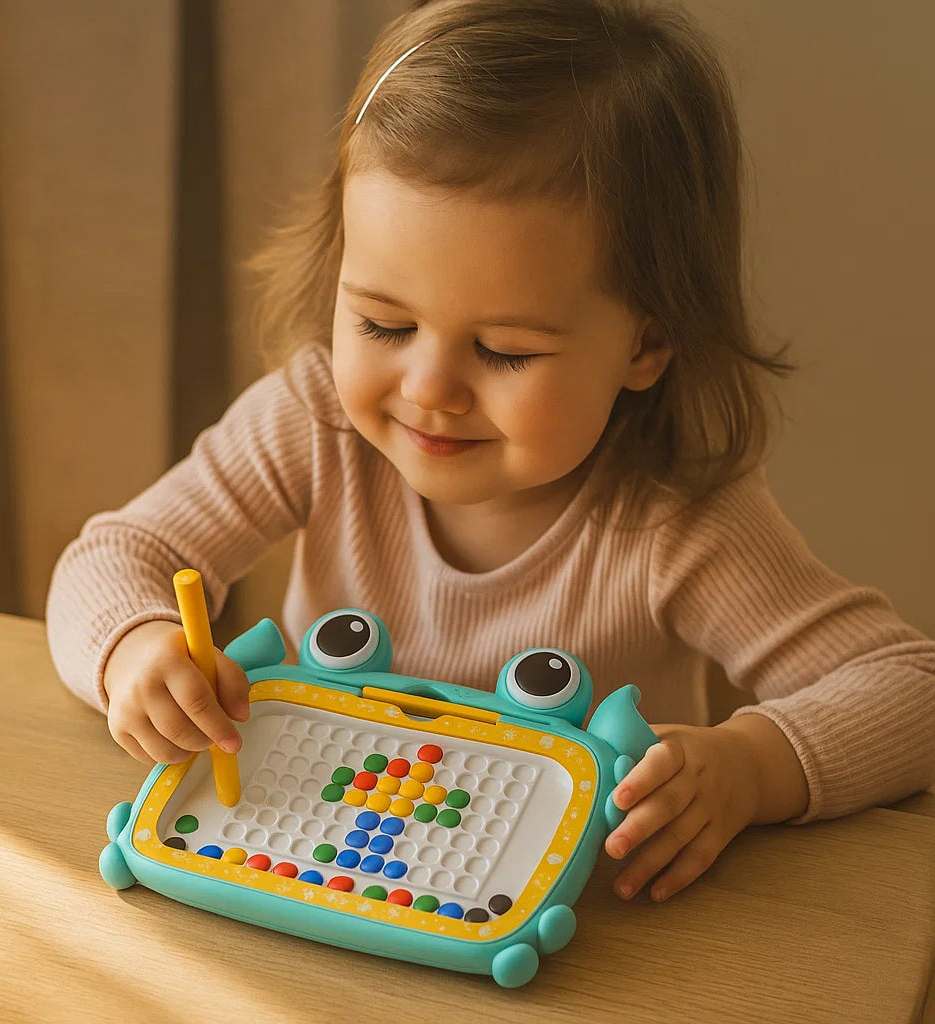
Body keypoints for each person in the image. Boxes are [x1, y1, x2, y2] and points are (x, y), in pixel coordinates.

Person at [46, 0, 934, 905]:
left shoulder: (674, 513)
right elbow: (116, 557)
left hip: (576, 945)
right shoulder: (315, 421)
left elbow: (909, 690)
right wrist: (137, 650)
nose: (429, 387)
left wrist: (753, 765)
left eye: (506, 349)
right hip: (312, 882)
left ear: (644, 345)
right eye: (383, 323)